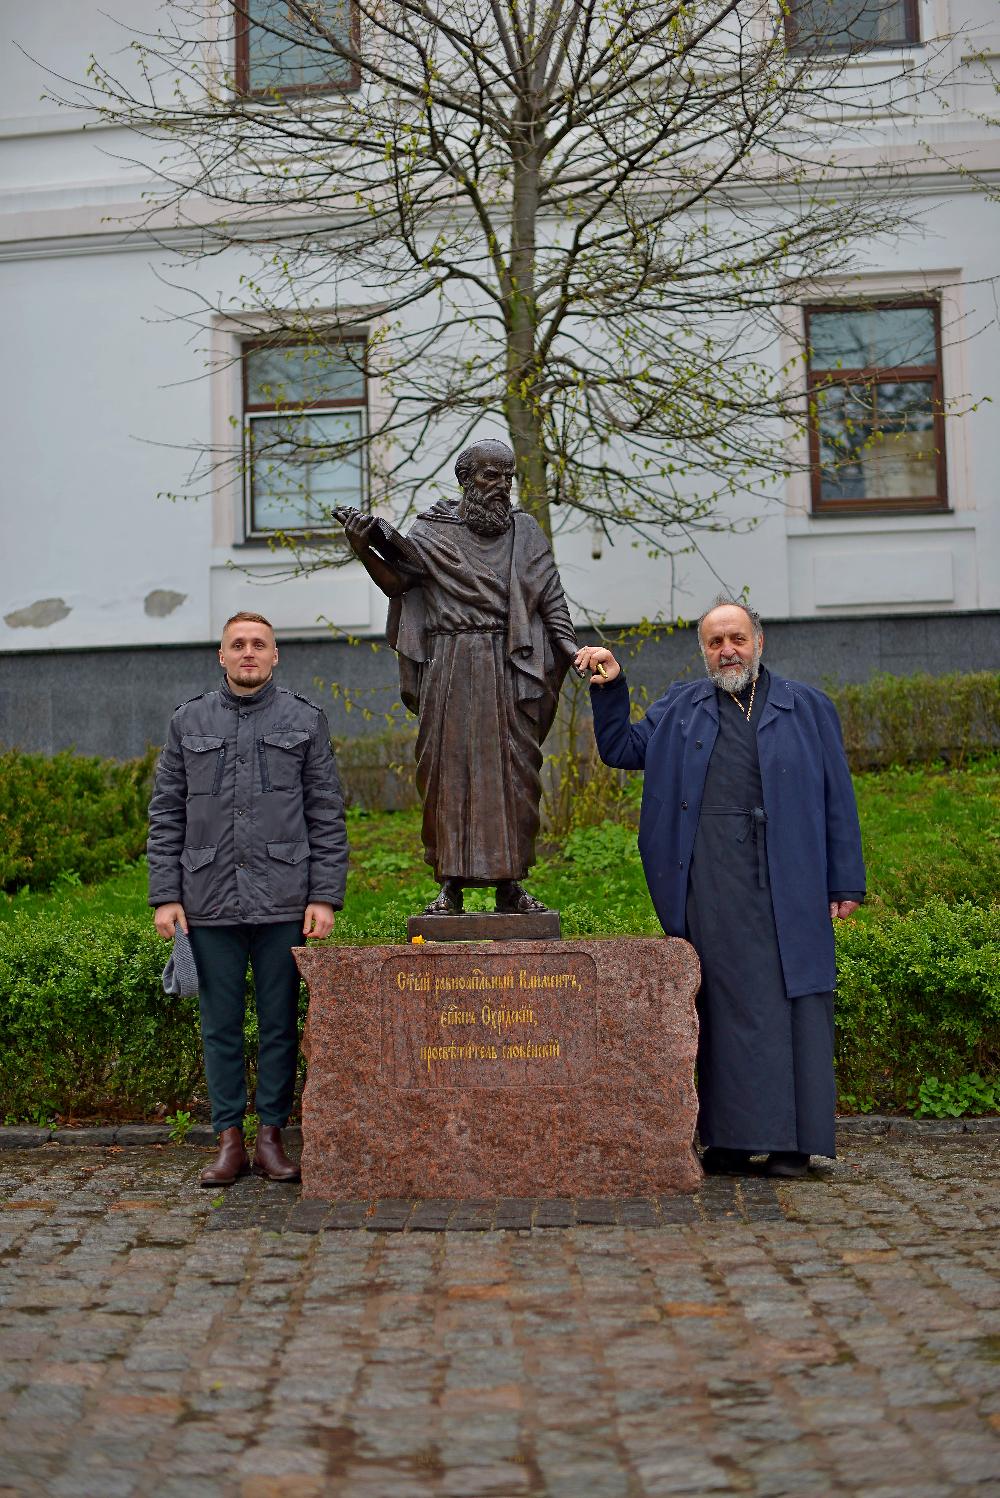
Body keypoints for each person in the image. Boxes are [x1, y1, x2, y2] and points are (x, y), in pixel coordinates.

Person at [575, 597, 865, 1178]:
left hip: (793, 876)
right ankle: (729, 1141)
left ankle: (792, 1144)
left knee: (793, 1004)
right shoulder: (680, 707)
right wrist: (610, 688)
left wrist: (845, 880)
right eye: (714, 642)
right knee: (723, 1009)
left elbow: (838, 799)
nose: (726, 650)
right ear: (703, 651)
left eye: (736, 638)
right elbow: (623, 750)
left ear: (759, 641)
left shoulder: (807, 708)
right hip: (711, 881)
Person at [148, 611, 348, 1186]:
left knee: (281, 1024)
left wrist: (325, 896)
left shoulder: (305, 720)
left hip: (286, 900)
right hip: (207, 898)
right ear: (221, 655)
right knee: (221, 1026)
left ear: (276, 655)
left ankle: (271, 1139)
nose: (248, 653)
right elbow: (165, 814)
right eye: (238, 644)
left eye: (259, 644)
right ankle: (229, 1141)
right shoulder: (188, 722)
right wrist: (166, 895)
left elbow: (326, 813)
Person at [336, 437, 577, 915]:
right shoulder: (430, 532)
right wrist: (365, 550)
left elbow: (551, 600)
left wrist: (574, 652)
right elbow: (400, 584)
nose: (501, 485)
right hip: (449, 664)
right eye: (491, 475)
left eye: (507, 476)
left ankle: (511, 884)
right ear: (465, 479)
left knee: (516, 775)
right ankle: (450, 884)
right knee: (446, 773)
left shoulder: (525, 532)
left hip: (509, 664)